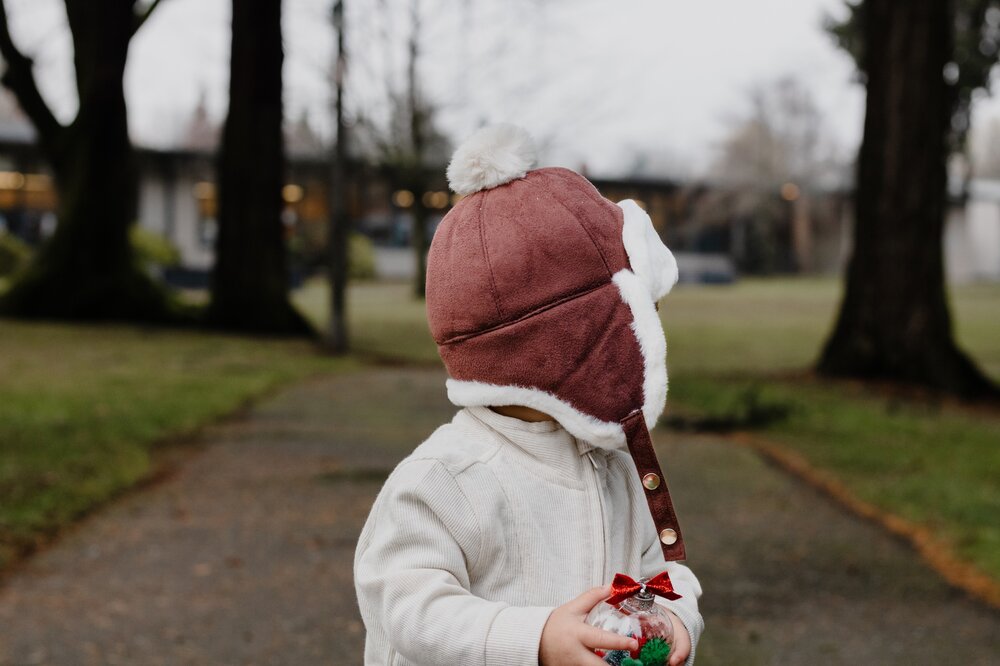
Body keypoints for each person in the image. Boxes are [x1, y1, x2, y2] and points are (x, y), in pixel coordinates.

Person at [354, 124, 703, 666]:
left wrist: (674, 617)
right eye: (634, 321)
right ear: (575, 344)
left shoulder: (612, 462)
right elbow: (402, 602)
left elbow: (661, 568)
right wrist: (534, 639)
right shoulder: (445, 479)